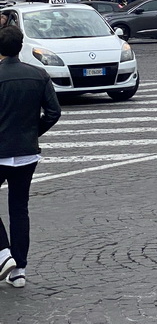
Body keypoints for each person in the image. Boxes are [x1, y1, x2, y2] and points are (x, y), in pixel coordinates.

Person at [0, 25, 61, 288]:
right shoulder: (38, 74)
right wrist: (32, 132)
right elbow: (53, 112)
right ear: (21, 46)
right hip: (27, 153)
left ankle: (4, 253)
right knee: (19, 209)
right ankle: (19, 270)